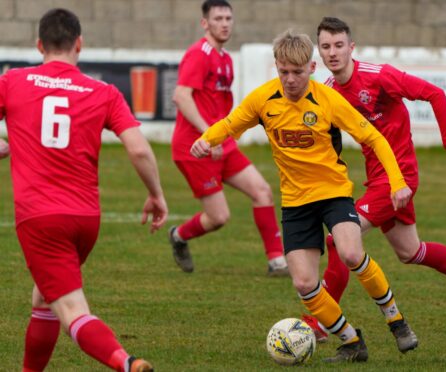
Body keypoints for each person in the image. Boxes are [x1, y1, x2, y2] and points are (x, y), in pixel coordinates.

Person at [191, 29, 417, 362]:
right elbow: (230, 123)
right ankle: (352, 341)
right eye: (284, 72)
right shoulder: (263, 99)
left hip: (333, 193)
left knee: (351, 253)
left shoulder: (328, 101)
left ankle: (396, 321)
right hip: (296, 202)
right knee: (304, 283)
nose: (291, 79)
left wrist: (397, 181)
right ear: (277, 67)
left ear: (312, 68)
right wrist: (206, 140)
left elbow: (375, 139)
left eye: (298, 72)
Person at [304, 16, 446, 342]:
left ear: (351, 47)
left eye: (339, 45)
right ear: (320, 52)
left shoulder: (379, 76)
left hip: (400, 178)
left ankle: (321, 324)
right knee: (411, 252)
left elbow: (435, 94)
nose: (333, 52)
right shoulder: (328, 91)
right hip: (376, 179)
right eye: (326, 46)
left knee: (339, 242)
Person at [0, 8, 167, 371]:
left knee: (72, 311)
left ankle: (126, 362)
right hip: (86, 220)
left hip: (41, 219)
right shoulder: (104, 92)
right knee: (44, 297)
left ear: (39, 44)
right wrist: (156, 194)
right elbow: (138, 148)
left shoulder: (12, 81)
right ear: (80, 44)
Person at [169, 0, 287, 275]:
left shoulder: (225, 58)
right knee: (219, 217)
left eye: (228, 18)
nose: (224, 23)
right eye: (218, 18)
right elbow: (181, 97)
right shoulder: (199, 54)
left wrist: (223, 136)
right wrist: (210, 137)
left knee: (262, 191)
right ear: (205, 23)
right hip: (195, 147)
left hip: (221, 143)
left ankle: (276, 261)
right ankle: (179, 236)